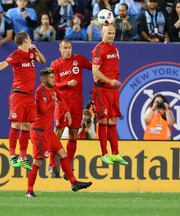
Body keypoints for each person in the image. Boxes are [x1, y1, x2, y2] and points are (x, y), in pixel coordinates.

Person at [25, 67, 92, 198]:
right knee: (38, 161)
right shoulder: (40, 91)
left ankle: (74, 183)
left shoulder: (54, 88)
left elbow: (61, 99)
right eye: (51, 78)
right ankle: (29, 191)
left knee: (63, 154)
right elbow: (44, 110)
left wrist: (67, 112)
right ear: (44, 79)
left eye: (54, 77)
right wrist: (53, 100)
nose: (54, 79)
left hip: (48, 131)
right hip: (38, 131)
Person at [0, 31, 46, 171]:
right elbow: (4, 63)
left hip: (30, 96)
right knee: (16, 125)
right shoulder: (16, 55)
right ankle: (12, 155)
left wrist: (36, 49)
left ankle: (23, 157)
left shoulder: (31, 53)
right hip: (18, 95)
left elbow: (43, 61)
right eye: (29, 38)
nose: (31, 40)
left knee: (26, 126)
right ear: (25, 40)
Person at [49, 39, 92, 178]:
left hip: (76, 103)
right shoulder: (55, 64)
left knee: (74, 134)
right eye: (65, 48)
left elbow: (92, 67)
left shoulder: (78, 60)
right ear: (60, 49)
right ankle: (51, 164)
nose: (68, 51)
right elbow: (53, 84)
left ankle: (67, 167)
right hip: (62, 103)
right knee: (58, 132)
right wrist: (67, 82)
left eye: (69, 48)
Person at [91, 24, 128, 166]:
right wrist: (109, 80)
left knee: (113, 122)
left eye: (113, 33)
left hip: (113, 91)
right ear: (102, 33)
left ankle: (116, 153)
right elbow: (95, 70)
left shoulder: (115, 49)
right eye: (109, 33)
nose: (111, 36)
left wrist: (113, 82)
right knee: (103, 121)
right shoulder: (98, 49)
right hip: (102, 90)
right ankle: (104, 153)